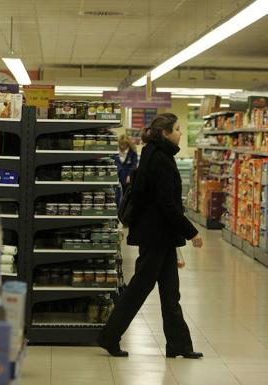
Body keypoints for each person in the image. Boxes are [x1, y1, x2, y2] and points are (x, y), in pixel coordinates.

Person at [97, 113, 204, 359]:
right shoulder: (162, 160)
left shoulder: (151, 153)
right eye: (177, 129)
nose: (180, 133)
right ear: (165, 133)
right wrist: (192, 231)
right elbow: (167, 204)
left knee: (170, 291)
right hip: (156, 235)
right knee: (139, 289)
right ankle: (109, 336)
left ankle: (179, 345)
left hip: (159, 235)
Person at [113, 134, 138, 207]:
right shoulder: (115, 151)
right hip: (116, 175)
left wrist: (130, 175)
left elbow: (134, 165)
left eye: (124, 145)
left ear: (128, 144)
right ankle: (116, 210)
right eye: (121, 144)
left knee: (126, 196)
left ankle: (124, 212)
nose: (122, 147)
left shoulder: (132, 152)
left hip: (127, 176)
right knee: (116, 195)